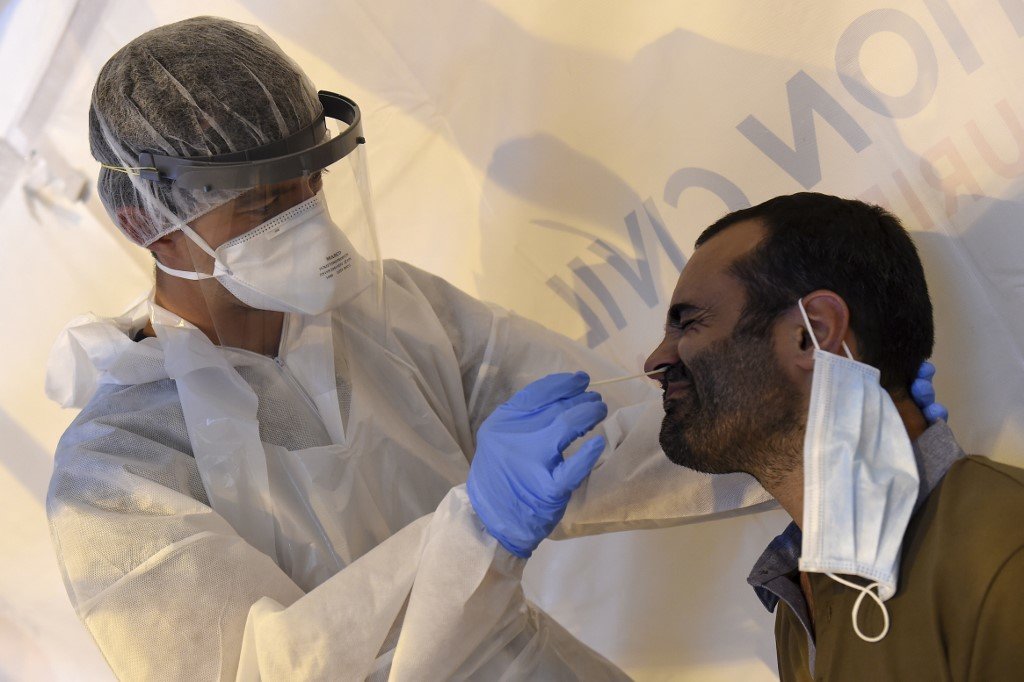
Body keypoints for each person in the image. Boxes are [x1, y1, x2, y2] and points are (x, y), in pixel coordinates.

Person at [44, 16, 796, 681]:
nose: (304, 219)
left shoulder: (391, 311)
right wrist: (476, 528)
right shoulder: (113, 468)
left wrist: (792, 416)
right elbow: (257, 670)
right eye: (263, 202)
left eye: (310, 184)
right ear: (146, 222)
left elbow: (611, 436)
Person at [469, 192, 1022, 681]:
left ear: (813, 334)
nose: (655, 362)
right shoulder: (800, 599)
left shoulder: (999, 552)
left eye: (688, 322)